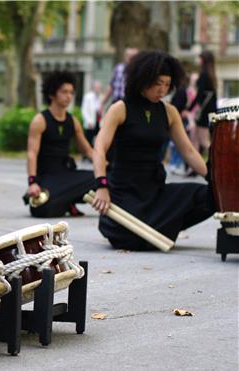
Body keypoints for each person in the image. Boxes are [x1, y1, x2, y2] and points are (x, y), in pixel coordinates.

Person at [90, 50, 214, 251]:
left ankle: (157, 229)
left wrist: (214, 179)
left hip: (155, 191)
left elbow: (189, 152)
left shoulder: (169, 111)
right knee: (129, 238)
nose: (163, 90)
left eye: (167, 84)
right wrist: (101, 186)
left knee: (211, 195)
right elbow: (99, 149)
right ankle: (156, 229)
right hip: (124, 193)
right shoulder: (120, 108)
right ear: (143, 80)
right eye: (158, 84)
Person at [26, 71, 96, 218]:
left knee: (103, 178)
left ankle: (66, 201)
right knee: (41, 210)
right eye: (64, 92)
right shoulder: (40, 120)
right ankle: (67, 202)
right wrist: (32, 182)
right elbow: (32, 154)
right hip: (47, 177)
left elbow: (88, 150)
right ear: (52, 94)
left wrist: (106, 167)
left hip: (67, 174)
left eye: (71, 92)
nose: (69, 96)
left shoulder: (73, 121)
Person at [188, 51, 217, 155]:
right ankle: (193, 168)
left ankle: (216, 163)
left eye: (200, 59)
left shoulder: (204, 75)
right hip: (208, 110)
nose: (198, 61)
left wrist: (189, 109)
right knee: (195, 139)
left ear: (203, 61)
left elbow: (199, 96)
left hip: (204, 112)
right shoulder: (211, 75)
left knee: (204, 141)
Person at [99, 47, 139, 115]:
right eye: (128, 55)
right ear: (125, 56)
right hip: (116, 102)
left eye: (132, 56)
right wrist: (102, 103)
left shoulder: (139, 71)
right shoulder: (118, 68)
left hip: (131, 104)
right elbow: (111, 86)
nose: (130, 58)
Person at [81, 80, 102, 146]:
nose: (98, 89)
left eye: (99, 88)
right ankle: (85, 155)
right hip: (90, 122)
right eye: (96, 87)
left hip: (98, 121)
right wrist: (88, 121)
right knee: (88, 140)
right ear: (94, 88)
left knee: (98, 139)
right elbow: (84, 110)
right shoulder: (88, 97)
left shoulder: (101, 97)